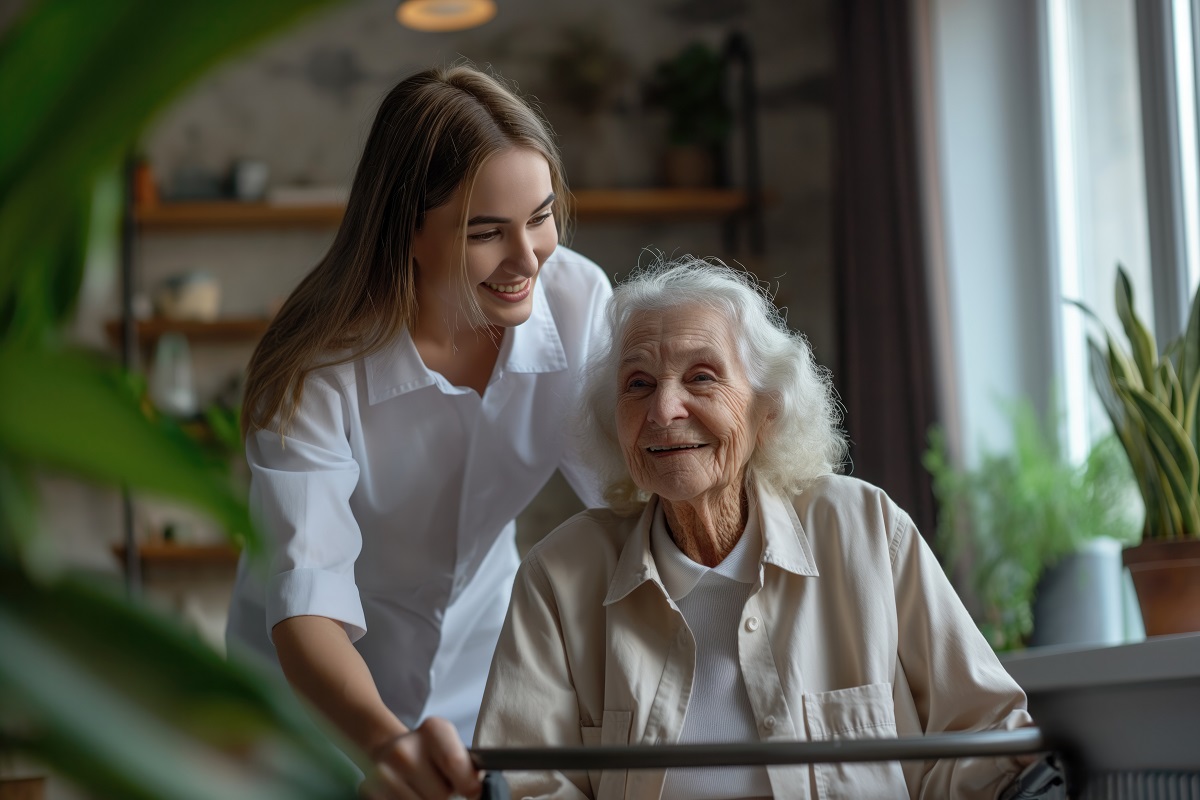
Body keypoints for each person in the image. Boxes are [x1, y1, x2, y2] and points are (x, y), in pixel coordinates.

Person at [474, 256, 1037, 799]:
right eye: (638, 384)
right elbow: (524, 784)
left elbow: (983, 736)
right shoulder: (560, 577)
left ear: (765, 410)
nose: (664, 408)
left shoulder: (865, 531)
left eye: (701, 377)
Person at [224, 64, 613, 800]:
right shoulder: (316, 367)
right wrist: (384, 744)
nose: (528, 259)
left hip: (479, 668)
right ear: (408, 229)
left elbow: (630, 505)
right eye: (486, 233)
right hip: (308, 698)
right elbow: (308, 599)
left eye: (540, 216)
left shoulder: (578, 302)